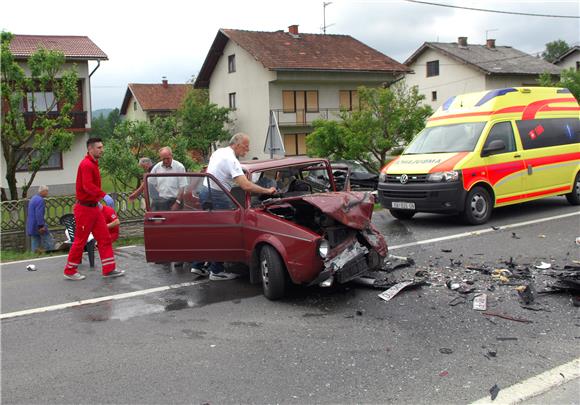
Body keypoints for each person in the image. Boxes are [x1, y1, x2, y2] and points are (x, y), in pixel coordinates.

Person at [191, 133, 276, 281]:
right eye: (246, 146)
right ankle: (216, 271)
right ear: (237, 144)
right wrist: (268, 191)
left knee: (211, 233)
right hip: (217, 196)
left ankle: (198, 265)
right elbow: (246, 186)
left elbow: (222, 174)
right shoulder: (232, 160)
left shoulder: (219, 152)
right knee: (223, 234)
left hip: (206, 191)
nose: (247, 150)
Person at [63, 137, 124, 281]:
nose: (102, 150)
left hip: (93, 207)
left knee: (104, 238)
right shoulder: (86, 164)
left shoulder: (93, 164)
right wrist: (103, 195)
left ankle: (109, 269)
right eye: (99, 148)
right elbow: (87, 186)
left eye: (102, 147)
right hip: (85, 209)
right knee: (80, 240)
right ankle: (69, 270)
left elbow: (89, 188)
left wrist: (98, 200)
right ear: (90, 149)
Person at [26, 185, 55, 252]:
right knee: (48, 239)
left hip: (31, 224)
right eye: (46, 191)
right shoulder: (40, 200)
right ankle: (51, 252)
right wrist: (41, 226)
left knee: (35, 240)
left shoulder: (33, 198)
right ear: (43, 191)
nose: (47, 193)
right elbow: (39, 214)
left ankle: (34, 254)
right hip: (38, 224)